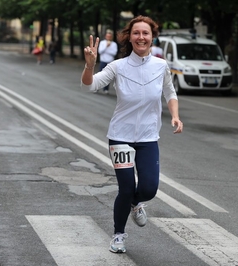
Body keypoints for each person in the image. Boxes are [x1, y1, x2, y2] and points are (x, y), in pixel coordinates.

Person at [81, 15, 183, 253]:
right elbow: (89, 85)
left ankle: (136, 203)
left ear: (152, 36)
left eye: (145, 33)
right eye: (136, 33)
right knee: (126, 189)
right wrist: (90, 64)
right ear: (130, 37)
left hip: (148, 137)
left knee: (149, 188)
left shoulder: (160, 66)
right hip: (120, 136)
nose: (141, 37)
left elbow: (170, 93)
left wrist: (175, 116)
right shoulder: (118, 66)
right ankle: (118, 235)